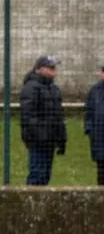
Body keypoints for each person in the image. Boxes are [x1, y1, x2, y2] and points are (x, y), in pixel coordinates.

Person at [19, 55, 66, 185]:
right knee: (37, 175)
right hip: (37, 141)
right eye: (50, 67)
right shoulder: (31, 88)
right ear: (39, 69)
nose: (54, 70)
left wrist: (61, 138)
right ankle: (31, 204)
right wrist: (42, 136)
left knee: (45, 175)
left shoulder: (54, 89)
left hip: (49, 141)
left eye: (54, 67)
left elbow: (59, 116)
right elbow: (28, 117)